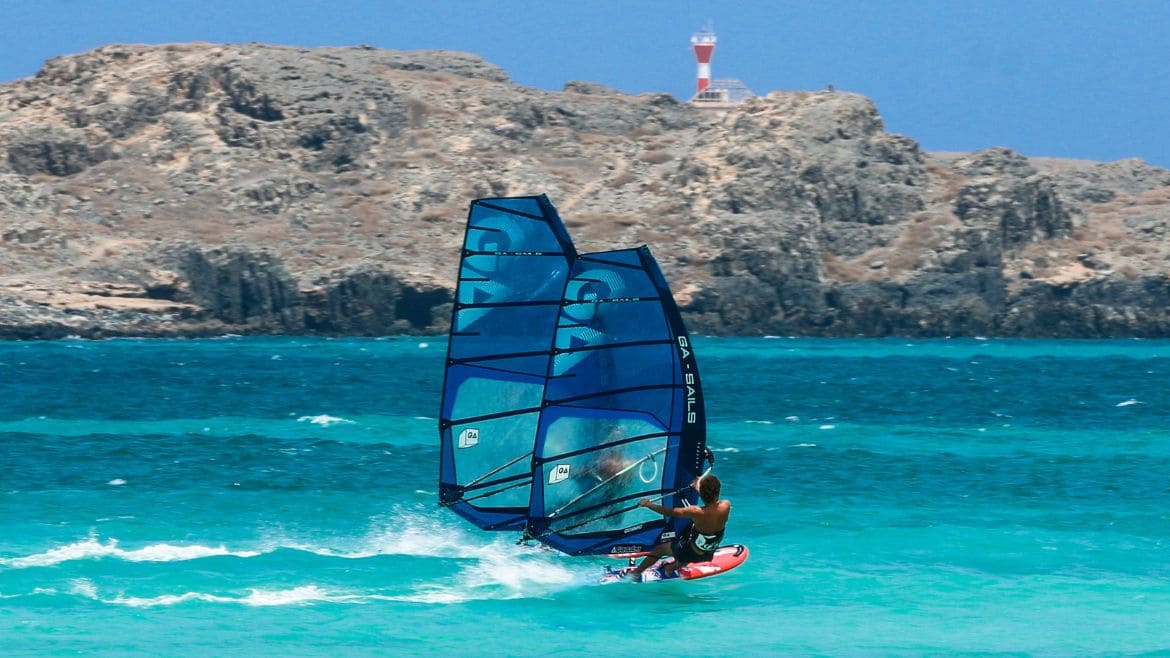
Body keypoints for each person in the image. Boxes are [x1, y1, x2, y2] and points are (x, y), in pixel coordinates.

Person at [628, 473, 729, 580]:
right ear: (718, 492)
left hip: (690, 553)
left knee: (660, 549)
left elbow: (669, 512)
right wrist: (698, 485)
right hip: (708, 553)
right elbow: (711, 501)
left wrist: (649, 504)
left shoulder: (695, 512)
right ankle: (671, 568)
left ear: (703, 494)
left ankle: (635, 573)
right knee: (689, 532)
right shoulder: (725, 506)